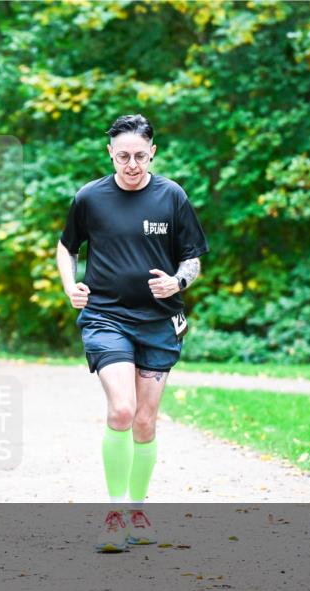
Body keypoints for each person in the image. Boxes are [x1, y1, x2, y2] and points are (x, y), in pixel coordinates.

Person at [55, 114, 208, 553]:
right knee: (121, 410)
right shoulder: (90, 198)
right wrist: (71, 286)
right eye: (123, 155)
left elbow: (192, 259)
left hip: (159, 322)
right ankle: (115, 514)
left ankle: (138, 509)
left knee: (145, 420)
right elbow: (67, 246)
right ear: (110, 154)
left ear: (153, 152)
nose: (132, 164)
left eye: (140, 155)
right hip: (106, 316)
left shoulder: (172, 197)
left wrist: (177, 283)